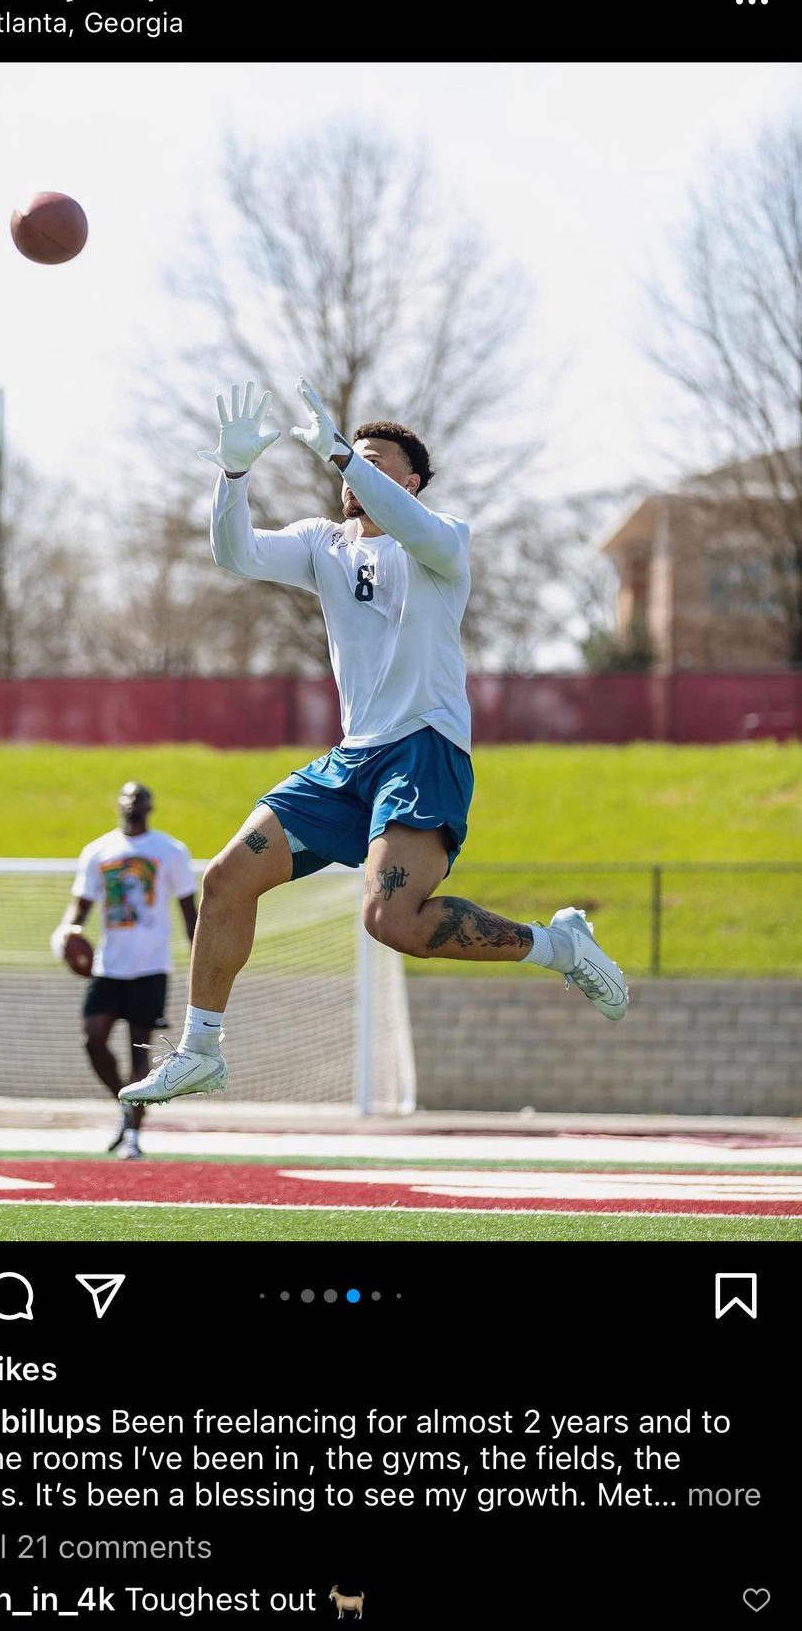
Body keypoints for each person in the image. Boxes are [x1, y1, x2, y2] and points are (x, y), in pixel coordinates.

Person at [121, 380, 628, 1109]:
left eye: (374, 459)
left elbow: (410, 525)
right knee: (224, 879)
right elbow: (235, 554)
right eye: (349, 457)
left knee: (391, 921)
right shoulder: (321, 544)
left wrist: (340, 455)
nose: (353, 468)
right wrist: (231, 477)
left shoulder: (442, 540)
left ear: (412, 481)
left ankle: (557, 946)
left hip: (423, 746)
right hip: (352, 759)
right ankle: (201, 1051)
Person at [52, 781, 198, 1156]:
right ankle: (125, 1103)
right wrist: (69, 932)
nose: (133, 804)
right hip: (109, 965)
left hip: (151, 966)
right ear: (118, 804)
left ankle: (132, 1133)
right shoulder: (99, 851)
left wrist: (203, 957)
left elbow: (188, 911)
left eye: (140, 799)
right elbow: (79, 907)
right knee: (93, 1039)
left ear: (150, 806)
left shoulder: (170, 851)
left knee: (139, 1051)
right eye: (128, 798)